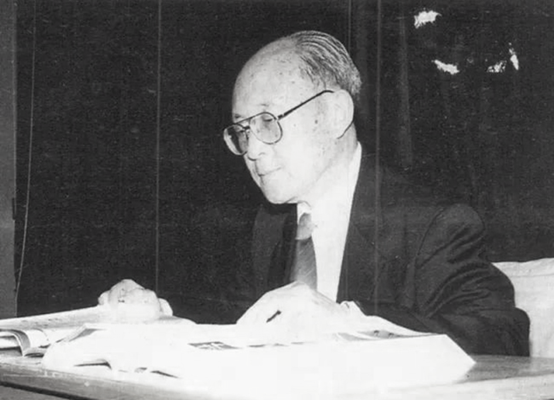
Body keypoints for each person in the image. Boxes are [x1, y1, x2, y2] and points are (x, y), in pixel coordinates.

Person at [100, 30, 529, 355]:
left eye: (267, 121)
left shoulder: (431, 221)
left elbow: (502, 334)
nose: (252, 149)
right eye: (242, 131)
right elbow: (232, 320)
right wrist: (159, 313)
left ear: (336, 113)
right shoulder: (269, 225)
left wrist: (346, 321)